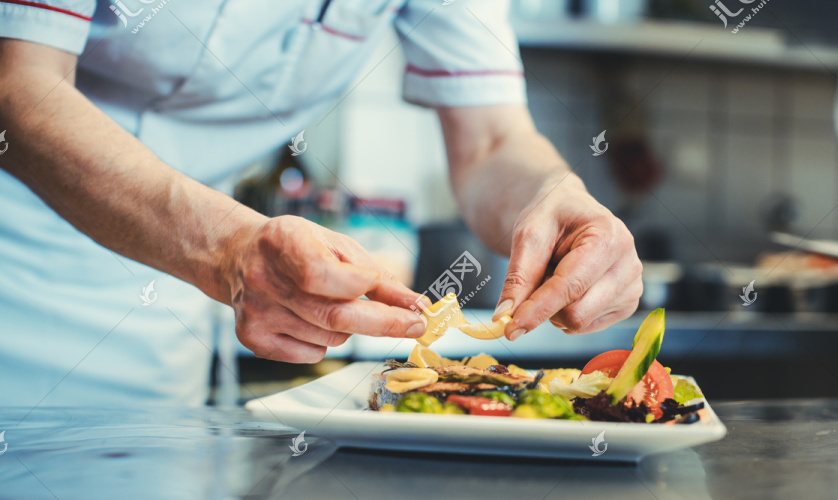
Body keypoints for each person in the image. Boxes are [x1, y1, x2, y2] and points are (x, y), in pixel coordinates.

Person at [0, 0, 642, 408]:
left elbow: (492, 141)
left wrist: (556, 196)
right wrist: (227, 248)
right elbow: (18, 87)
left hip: (164, 296)